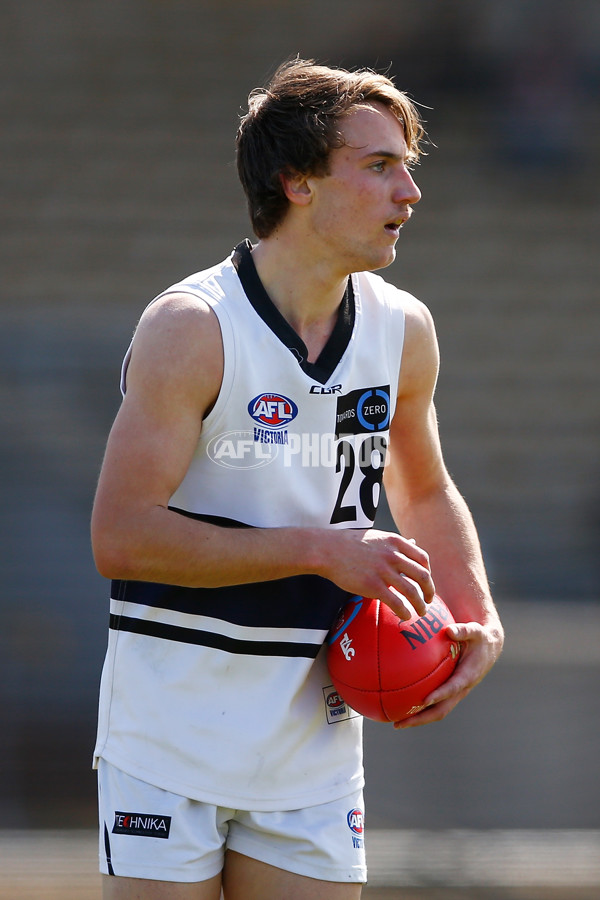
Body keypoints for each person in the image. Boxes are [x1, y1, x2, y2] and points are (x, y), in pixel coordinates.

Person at [91, 58, 504, 899]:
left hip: (313, 748)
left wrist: (476, 614)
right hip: (169, 741)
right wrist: (322, 551)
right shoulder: (193, 327)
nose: (410, 192)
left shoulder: (402, 331)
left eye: (408, 166)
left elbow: (424, 489)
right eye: (380, 166)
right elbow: (120, 534)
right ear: (298, 182)